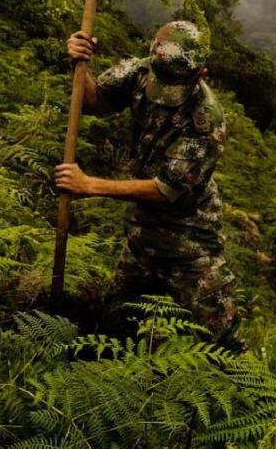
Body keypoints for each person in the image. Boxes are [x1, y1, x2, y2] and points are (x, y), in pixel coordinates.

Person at [57, 20, 236, 342]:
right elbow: (92, 102)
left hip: (191, 242)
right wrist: (79, 64)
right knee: (115, 324)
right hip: (143, 235)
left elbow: (166, 189)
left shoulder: (206, 122)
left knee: (220, 341)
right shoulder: (140, 72)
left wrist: (90, 185)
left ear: (201, 75)